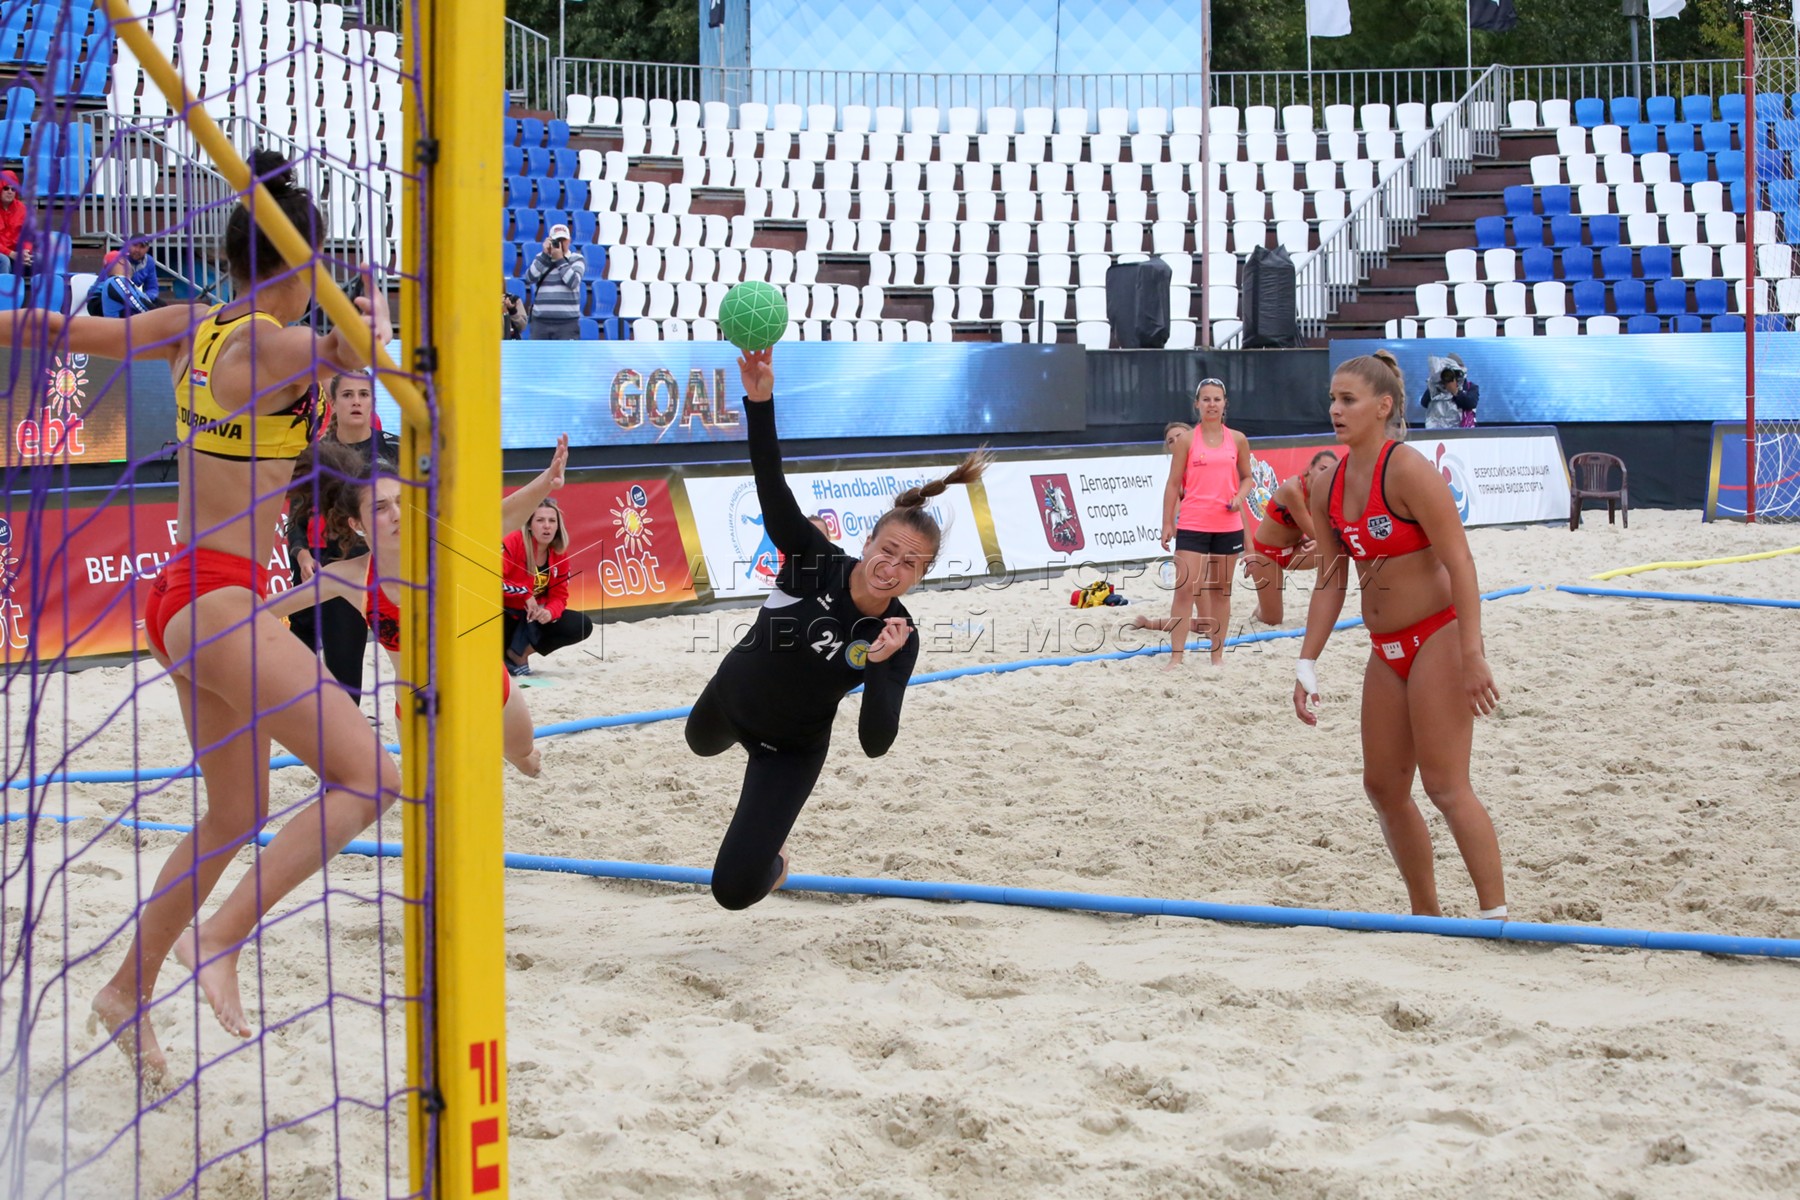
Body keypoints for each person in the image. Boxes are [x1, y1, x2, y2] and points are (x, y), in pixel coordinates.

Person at [0, 149, 399, 1074]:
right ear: (300, 269)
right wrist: (362, 319)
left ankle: (123, 990)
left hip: (184, 595)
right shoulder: (270, 345)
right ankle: (218, 938)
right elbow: (345, 355)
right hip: (218, 598)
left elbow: (55, 328)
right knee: (369, 780)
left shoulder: (191, 326)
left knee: (236, 812)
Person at [686, 348, 989, 911]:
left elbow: (875, 744)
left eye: (910, 564)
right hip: (731, 699)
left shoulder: (898, 634)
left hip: (790, 750)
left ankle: (777, 863)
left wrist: (877, 666)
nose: (892, 568)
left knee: (732, 891)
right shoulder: (814, 561)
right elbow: (772, 488)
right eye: (887, 550)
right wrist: (759, 404)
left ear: (921, 576)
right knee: (698, 743)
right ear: (867, 542)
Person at [1293, 349, 1508, 920]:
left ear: (1383, 406)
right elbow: (1330, 579)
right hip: (1386, 649)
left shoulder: (1408, 470)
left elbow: (1461, 563)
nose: (1335, 410)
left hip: (1437, 635)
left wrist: (1472, 653)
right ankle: (1426, 916)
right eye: (1332, 399)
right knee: (1383, 787)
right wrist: (1306, 662)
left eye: (1348, 400)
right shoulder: (1327, 485)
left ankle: (1496, 917)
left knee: (1445, 785)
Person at [295, 435, 572, 778]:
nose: (397, 515)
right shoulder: (348, 577)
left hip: (483, 686)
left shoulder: (440, 546)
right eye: (380, 508)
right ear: (356, 524)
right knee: (426, 796)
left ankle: (517, 755)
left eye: (401, 501)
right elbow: (262, 611)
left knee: (525, 758)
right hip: (417, 709)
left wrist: (547, 480)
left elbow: (502, 517)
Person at [287, 370, 400, 703]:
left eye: (363, 395)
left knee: (363, 671)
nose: (356, 402)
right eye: (348, 395)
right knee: (322, 671)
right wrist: (301, 555)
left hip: (380, 570)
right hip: (329, 566)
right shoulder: (316, 456)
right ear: (333, 403)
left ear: (373, 401)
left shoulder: (396, 450)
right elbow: (296, 518)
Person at [1136, 379, 1251, 667]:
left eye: (1217, 399)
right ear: (1197, 404)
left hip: (1227, 523)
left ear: (1225, 403)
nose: (1212, 404)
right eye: (1206, 399)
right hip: (1193, 522)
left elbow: (1248, 477)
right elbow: (1173, 484)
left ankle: (1217, 656)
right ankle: (1176, 657)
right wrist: (1167, 523)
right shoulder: (1187, 441)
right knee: (1185, 588)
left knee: (1221, 590)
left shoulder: (1237, 439)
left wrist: (1239, 496)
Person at [1242, 450, 1338, 627]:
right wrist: (1320, 540)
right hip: (1266, 554)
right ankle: (1263, 605)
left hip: (1295, 550)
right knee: (1272, 619)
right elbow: (1314, 532)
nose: (1326, 475)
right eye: (1322, 469)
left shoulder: (1326, 493)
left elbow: (1334, 529)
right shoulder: (1292, 489)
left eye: (1331, 472)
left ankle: (1325, 601)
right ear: (1309, 468)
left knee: (1338, 550)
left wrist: (1321, 541)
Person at [501, 496, 594, 675]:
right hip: (504, 614)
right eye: (540, 520)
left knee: (581, 624)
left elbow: (560, 597)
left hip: (530, 619)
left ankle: (520, 654)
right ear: (529, 525)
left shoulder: (559, 553)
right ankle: (503, 653)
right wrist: (524, 594)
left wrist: (549, 612)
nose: (547, 526)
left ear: (558, 526)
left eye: (552, 521)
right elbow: (490, 579)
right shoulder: (514, 541)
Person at [524, 222, 584, 340]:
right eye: (557, 240)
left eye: (563, 240)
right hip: (540, 321)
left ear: (569, 241)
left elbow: (573, 282)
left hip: (567, 322)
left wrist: (560, 259)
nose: (560, 244)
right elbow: (529, 278)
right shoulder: (541, 258)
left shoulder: (576, 259)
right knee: (537, 353)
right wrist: (545, 256)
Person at [1419, 354, 1479, 431]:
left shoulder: (1470, 387)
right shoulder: (1438, 386)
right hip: (1438, 431)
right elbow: (1424, 402)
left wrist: (1455, 391)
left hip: (1463, 432)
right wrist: (1435, 384)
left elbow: (1471, 403)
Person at [96, 250, 155, 318]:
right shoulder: (115, 281)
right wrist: (160, 316)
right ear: (122, 261)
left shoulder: (116, 282)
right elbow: (138, 304)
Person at [0, 171, 23, 273]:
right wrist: (9, 253)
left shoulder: (22, 209)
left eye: (13, 189)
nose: (10, 192)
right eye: (6, 188)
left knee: (38, 259)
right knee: (4, 260)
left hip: (15, 253)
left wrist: (25, 251)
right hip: (4, 254)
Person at [127, 236, 160, 305]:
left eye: (142, 247)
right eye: (134, 245)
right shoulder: (120, 259)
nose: (137, 250)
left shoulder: (149, 261)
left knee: (160, 304)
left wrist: (145, 298)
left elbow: (152, 288)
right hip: (121, 297)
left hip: (139, 298)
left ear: (147, 249)